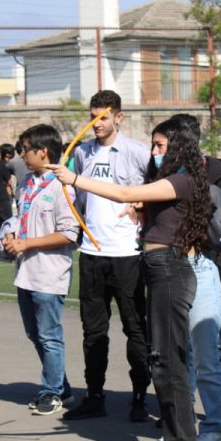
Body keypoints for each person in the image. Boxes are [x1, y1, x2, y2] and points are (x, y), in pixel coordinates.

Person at [48, 117, 211, 441]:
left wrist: (75, 179)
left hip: (169, 269)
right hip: (158, 268)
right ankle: (174, 438)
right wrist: (143, 212)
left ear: (179, 147)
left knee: (168, 362)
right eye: (153, 145)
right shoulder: (172, 181)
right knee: (162, 359)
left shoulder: (181, 179)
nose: (153, 152)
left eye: (159, 146)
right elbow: (138, 202)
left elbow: (124, 191)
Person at [61, 90, 152, 422]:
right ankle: (94, 395)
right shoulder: (83, 153)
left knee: (135, 329)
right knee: (93, 331)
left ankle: (140, 397)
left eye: (102, 117)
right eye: (91, 117)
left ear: (118, 116)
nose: (95, 124)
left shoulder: (137, 152)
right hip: (92, 253)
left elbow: (161, 187)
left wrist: (141, 204)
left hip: (127, 253)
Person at [169, 113, 221, 430]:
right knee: (184, 345)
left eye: (168, 142)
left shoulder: (216, 174)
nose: (162, 150)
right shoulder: (167, 175)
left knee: (218, 342)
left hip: (212, 270)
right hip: (179, 270)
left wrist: (219, 269)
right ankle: (184, 409)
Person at [2, 125, 79, 416]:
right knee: (35, 334)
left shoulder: (62, 186)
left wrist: (27, 244)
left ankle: (51, 392)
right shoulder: (26, 185)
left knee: (49, 335)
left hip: (49, 272)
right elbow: (20, 220)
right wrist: (11, 239)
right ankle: (62, 386)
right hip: (25, 271)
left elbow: (70, 235)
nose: (22, 155)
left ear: (43, 151)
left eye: (25, 149)